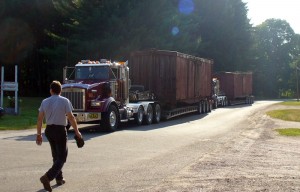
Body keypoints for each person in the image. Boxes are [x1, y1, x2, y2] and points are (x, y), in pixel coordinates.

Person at [36, 80, 82, 192]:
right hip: (60, 130)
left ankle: (59, 179)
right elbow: (71, 118)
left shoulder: (44, 101)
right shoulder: (64, 101)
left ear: (51, 90)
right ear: (60, 91)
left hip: (49, 130)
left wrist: (38, 134)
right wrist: (77, 132)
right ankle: (47, 177)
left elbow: (40, 119)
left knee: (56, 155)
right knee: (62, 157)